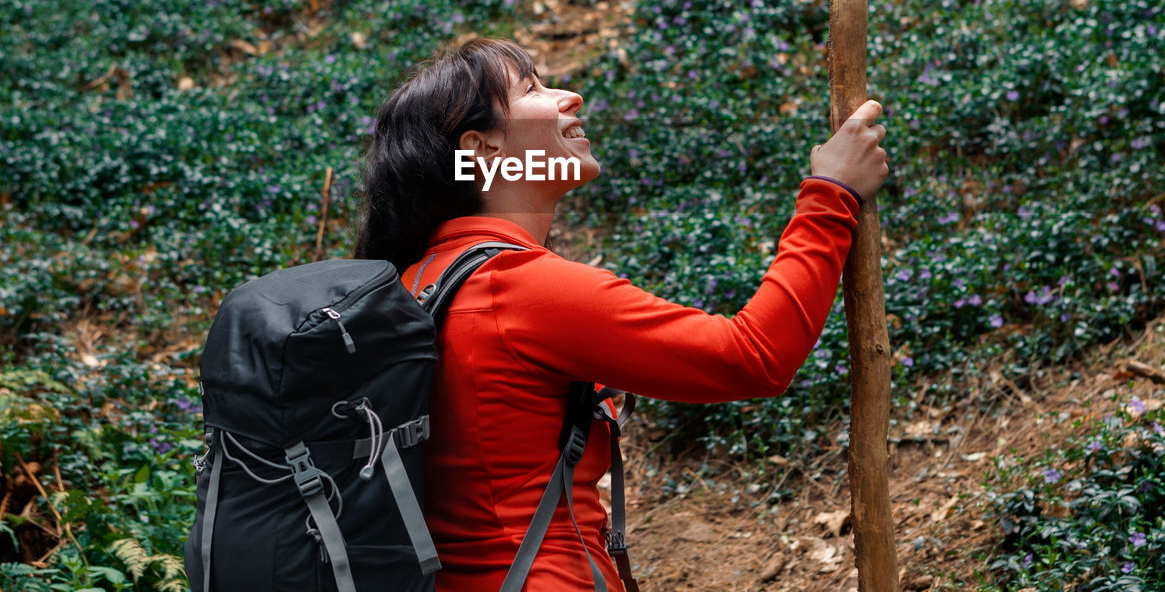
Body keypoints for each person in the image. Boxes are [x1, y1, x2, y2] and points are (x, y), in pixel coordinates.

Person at [355, 37, 888, 591]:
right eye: (533, 88)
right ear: (482, 149)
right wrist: (832, 193)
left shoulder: (412, 287)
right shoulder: (520, 291)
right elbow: (752, 357)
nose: (572, 97)